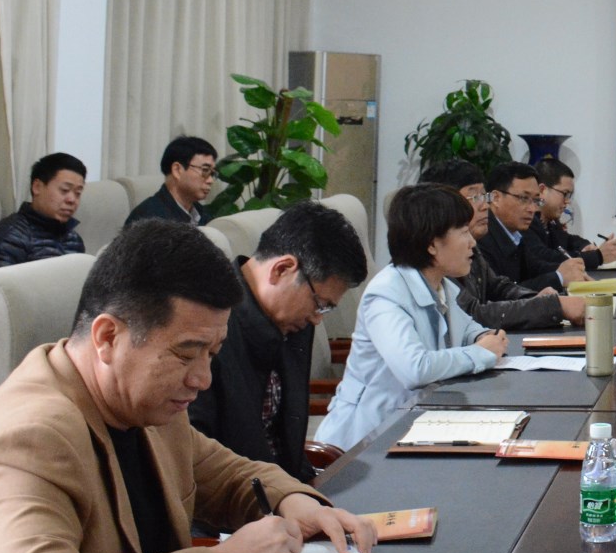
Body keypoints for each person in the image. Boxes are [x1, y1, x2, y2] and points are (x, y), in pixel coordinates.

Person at [0, 221, 376, 553]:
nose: (202, 378)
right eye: (186, 353)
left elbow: (221, 472)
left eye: (213, 353)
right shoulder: (25, 437)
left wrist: (295, 501)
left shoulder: (142, 402)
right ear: (107, 337)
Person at [315, 184, 508, 451]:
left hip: (416, 426)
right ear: (432, 245)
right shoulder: (386, 293)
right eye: (463, 232)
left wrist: (482, 336)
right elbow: (414, 369)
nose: (472, 243)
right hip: (365, 443)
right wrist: (481, 353)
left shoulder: (440, 284)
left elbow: (466, 330)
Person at [189, 202, 367, 483]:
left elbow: (289, 444)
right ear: (282, 269)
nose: (317, 319)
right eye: (320, 304)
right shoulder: (208, 326)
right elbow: (195, 460)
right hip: (237, 499)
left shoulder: (293, 319)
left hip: (286, 493)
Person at [422, 160, 585, 331]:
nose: (485, 206)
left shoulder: (470, 242)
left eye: (484, 197)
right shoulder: (441, 253)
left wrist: (538, 299)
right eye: (475, 198)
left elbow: (498, 287)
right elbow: (472, 314)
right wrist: (551, 306)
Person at [0, 153, 86, 270]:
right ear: (37, 187)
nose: (72, 200)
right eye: (64, 190)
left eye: (78, 193)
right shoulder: (7, 238)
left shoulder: (74, 240)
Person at [530, 157, 616, 282]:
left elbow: (568, 240)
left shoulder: (550, 221)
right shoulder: (526, 221)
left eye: (570, 195)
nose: (567, 201)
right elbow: (546, 257)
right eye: (565, 193)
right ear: (542, 190)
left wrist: (585, 246)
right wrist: (597, 256)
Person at [473, 161, 555, 290]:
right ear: (496, 198)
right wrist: (559, 277)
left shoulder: (515, 232)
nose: (532, 209)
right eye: (523, 198)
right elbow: (499, 293)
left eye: (535, 200)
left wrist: (566, 270)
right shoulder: (482, 236)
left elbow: (536, 268)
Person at [124, 135, 216, 227]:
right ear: (177, 170)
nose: (210, 180)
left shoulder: (202, 214)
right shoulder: (150, 219)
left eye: (212, 173)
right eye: (205, 170)